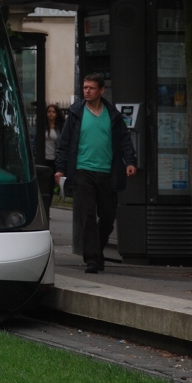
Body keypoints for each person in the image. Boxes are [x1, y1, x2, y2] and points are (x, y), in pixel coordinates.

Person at [55, 74, 138, 274]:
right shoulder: (76, 114)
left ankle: (97, 251)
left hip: (108, 172)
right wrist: (60, 168)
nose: (87, 91)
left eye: (91, 88)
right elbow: (64, 144)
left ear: (101, 90)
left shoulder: (113, 115)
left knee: (108, 217)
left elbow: (124, 140)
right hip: (83, 171)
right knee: (88, 216)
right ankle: (92, 259)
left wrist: (130, 161)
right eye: (85, 88)